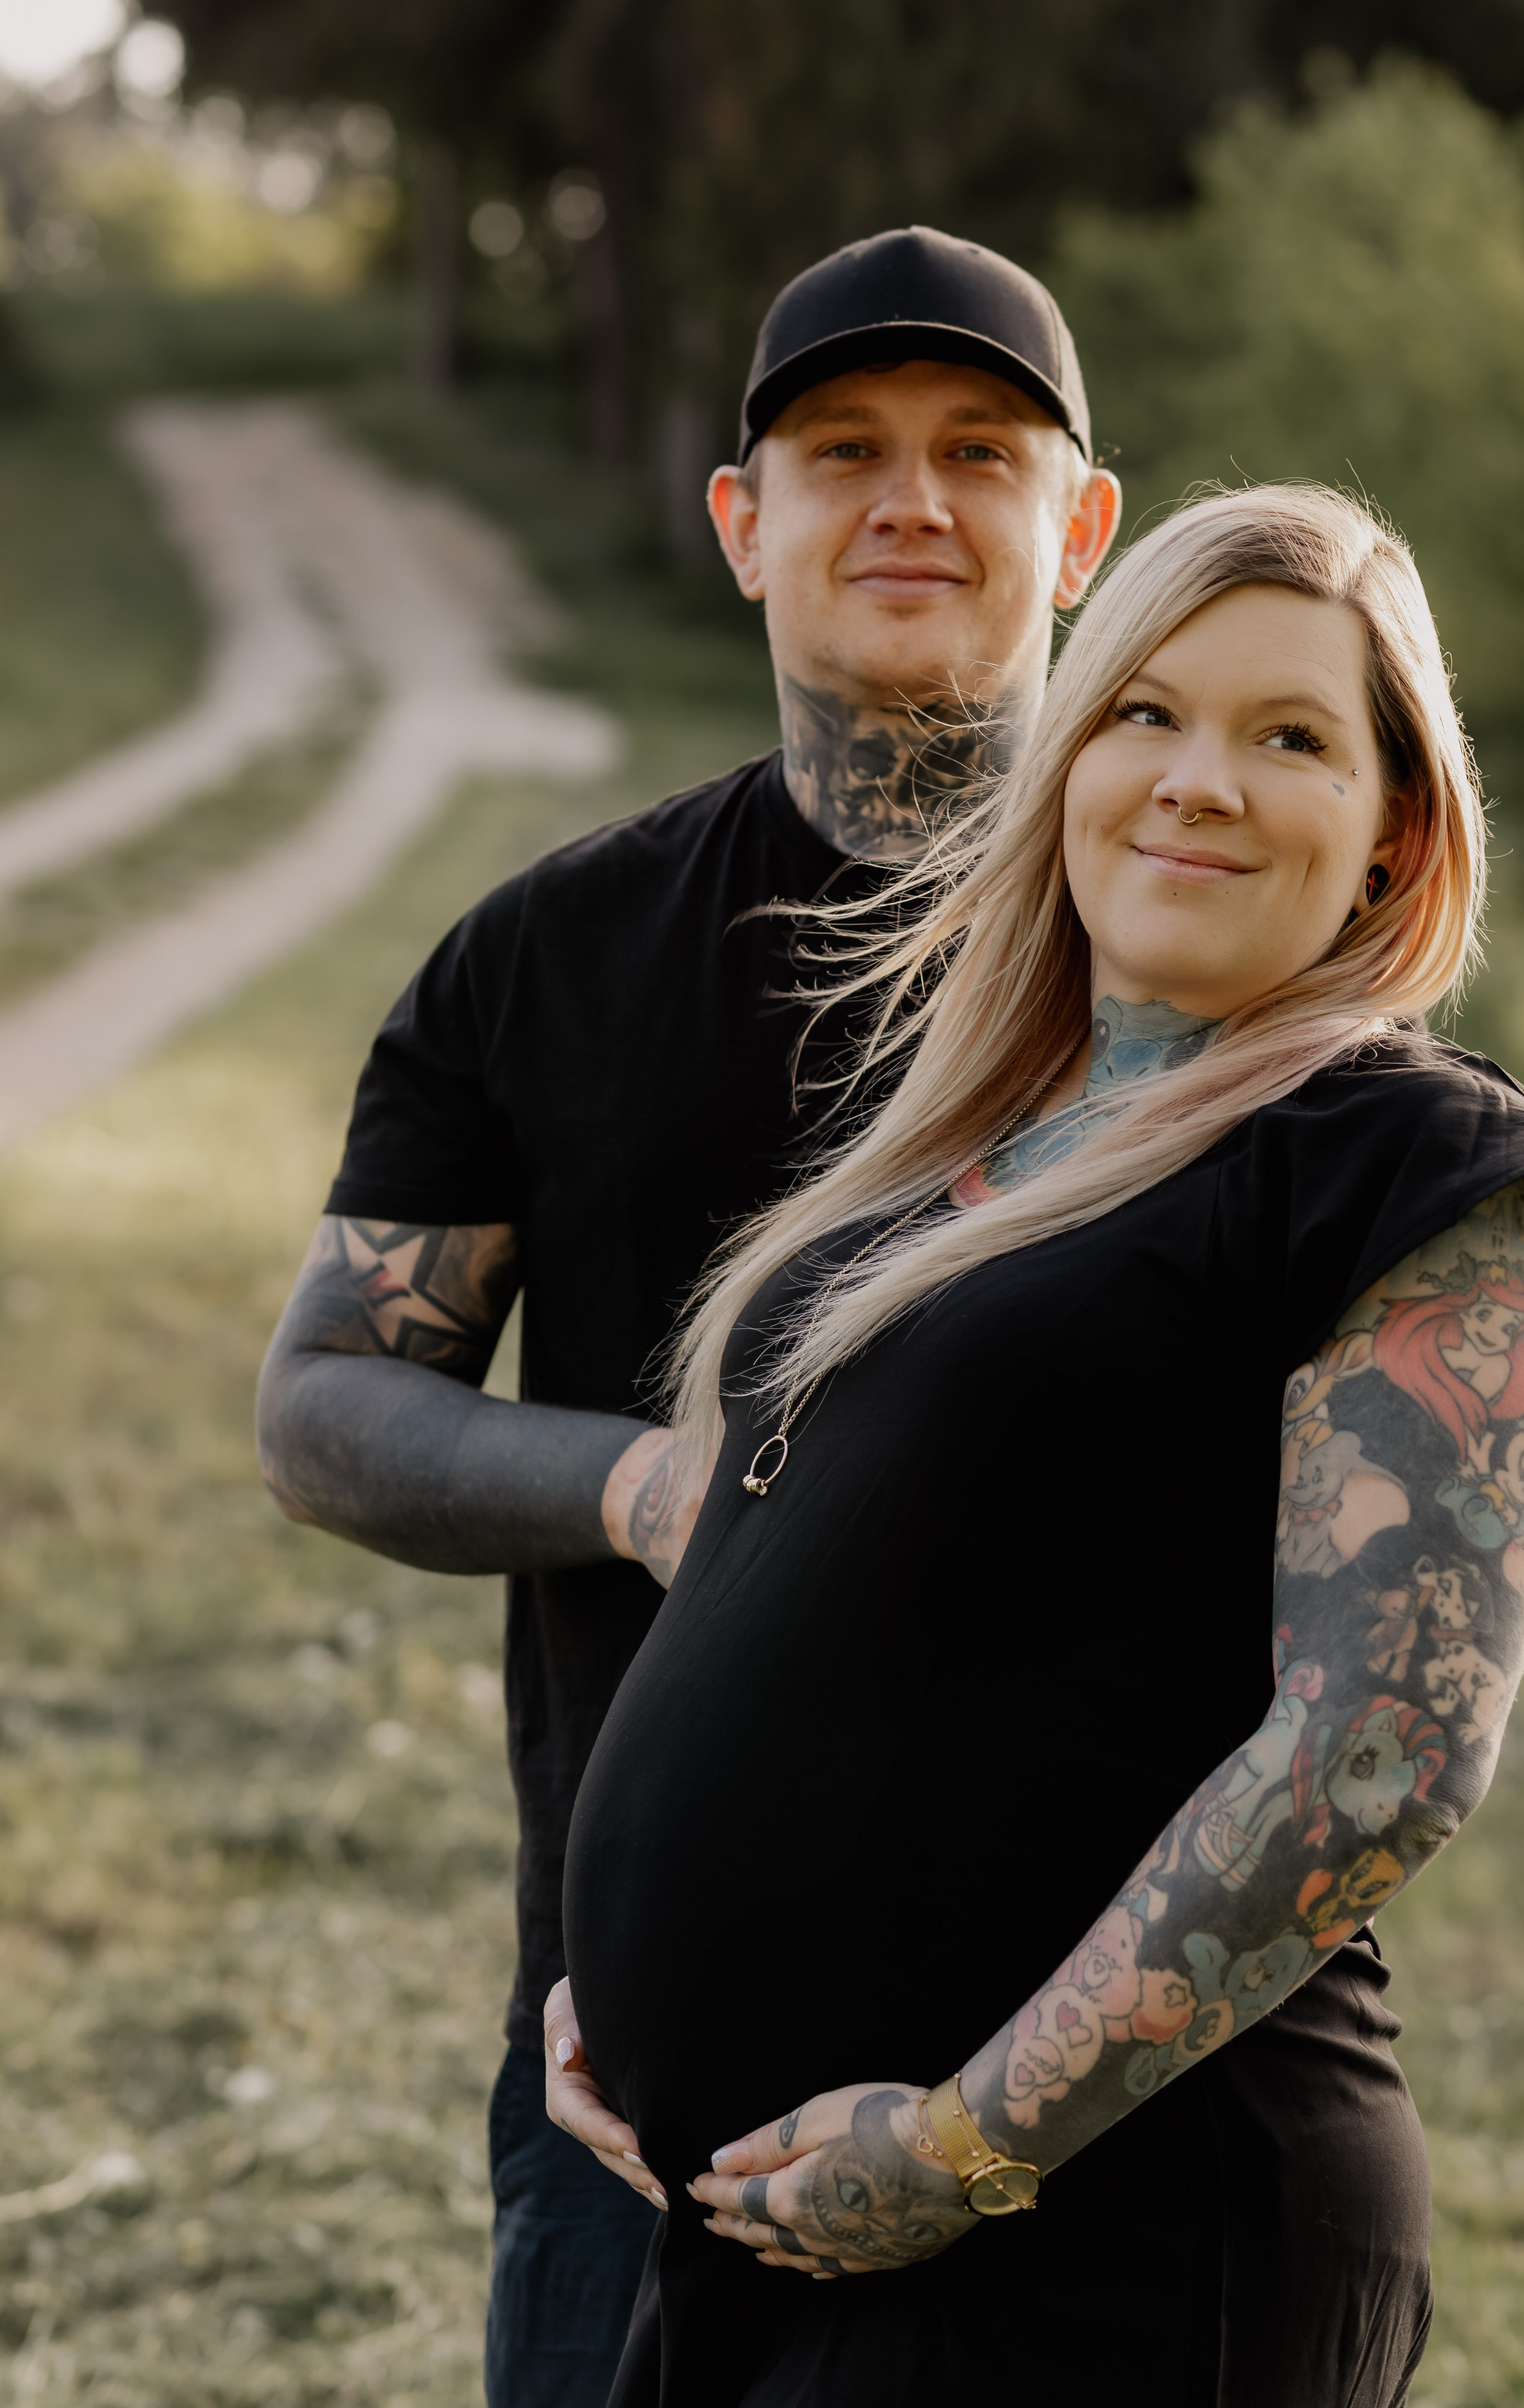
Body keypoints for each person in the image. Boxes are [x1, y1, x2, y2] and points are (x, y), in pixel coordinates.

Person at [557, 481, 1524, 2408]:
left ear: (1389, 834)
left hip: (1096, 2238)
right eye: (1143, 712)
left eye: (1289, 737)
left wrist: (958, 2150)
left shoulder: (1415, 1171)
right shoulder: (956, 1162)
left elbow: (1383, 1755)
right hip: (764, 2213)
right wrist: (628, 1983)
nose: (1198, 780)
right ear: (1065, 755)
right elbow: (828, 1612)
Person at [253, 226, 1123, 2408]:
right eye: (843, 451)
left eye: (979, 452)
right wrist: (649, 1484)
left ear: (1081, 529)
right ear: (743, 524)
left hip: (1104, 2050)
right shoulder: (544, 959)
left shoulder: (1189, 951)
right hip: (633, 2064)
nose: (911, 498)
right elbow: (329, 1403)